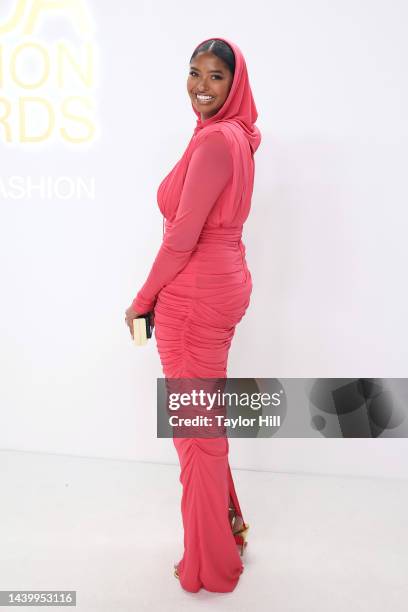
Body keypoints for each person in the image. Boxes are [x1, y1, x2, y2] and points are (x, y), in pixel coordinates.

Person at [125, 37, 261, 593]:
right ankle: (226, 532)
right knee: (204, 423)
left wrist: (141, 301)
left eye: (215, 78)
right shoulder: (234, 137)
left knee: (195, 434)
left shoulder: (213, 146)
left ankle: (211, 567)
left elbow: (182, 238)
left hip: (195, 297)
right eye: (194, 74)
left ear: (236, 85)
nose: (201, 87)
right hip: (221, 283)